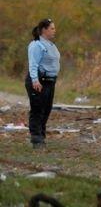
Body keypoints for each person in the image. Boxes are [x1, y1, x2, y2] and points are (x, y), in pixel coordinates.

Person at [25, 18, 60, 148]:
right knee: (37, 109)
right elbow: (33, 64)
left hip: (50, 82)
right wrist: (35, 80)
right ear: (44, 30)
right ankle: (36, 139)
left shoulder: (51, 44)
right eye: (52, 28)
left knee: (46, 109)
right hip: (39, 81)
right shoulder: (36, 45)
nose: (54, 31)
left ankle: (42, 135)